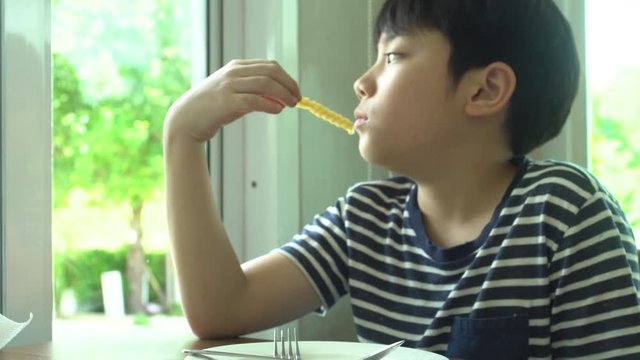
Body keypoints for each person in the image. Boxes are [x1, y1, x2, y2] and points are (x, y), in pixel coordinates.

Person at [163, 0, 640, 358]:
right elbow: (222, 309)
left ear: (484, 89)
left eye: (392, 57)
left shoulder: (566, 212)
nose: (361, 82)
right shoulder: (364, 218)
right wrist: (182, 137)